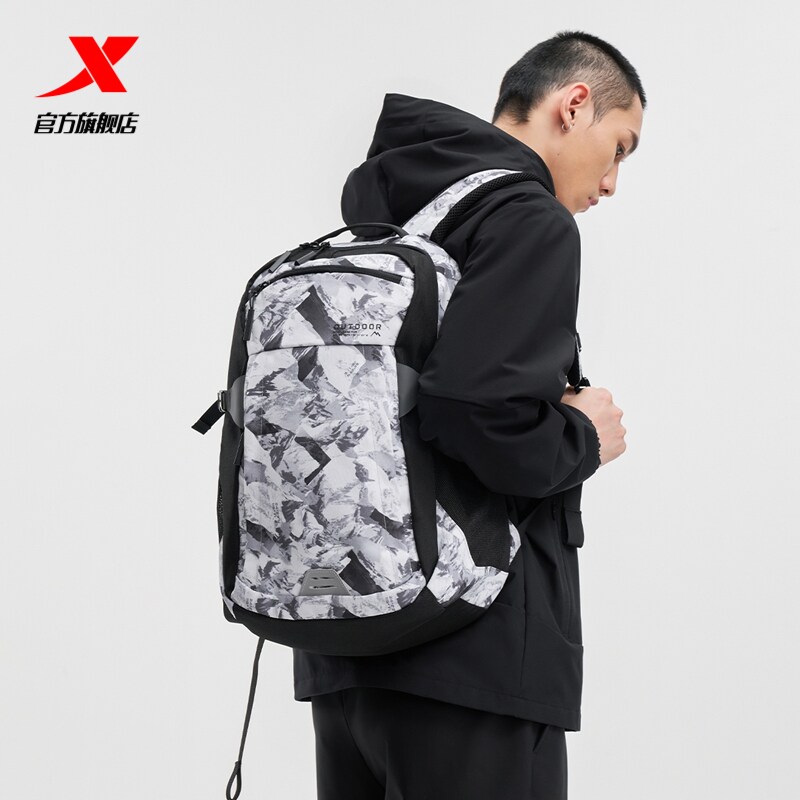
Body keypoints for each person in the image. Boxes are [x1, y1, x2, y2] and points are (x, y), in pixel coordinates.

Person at [293, 29, 645, 799]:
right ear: (574, 104)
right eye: (620, 148)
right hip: (471, 652)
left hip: (346, 643)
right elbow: (471, 411)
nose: (613, 181)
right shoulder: (529, 219)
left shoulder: (393, 225)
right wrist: (584, 435)